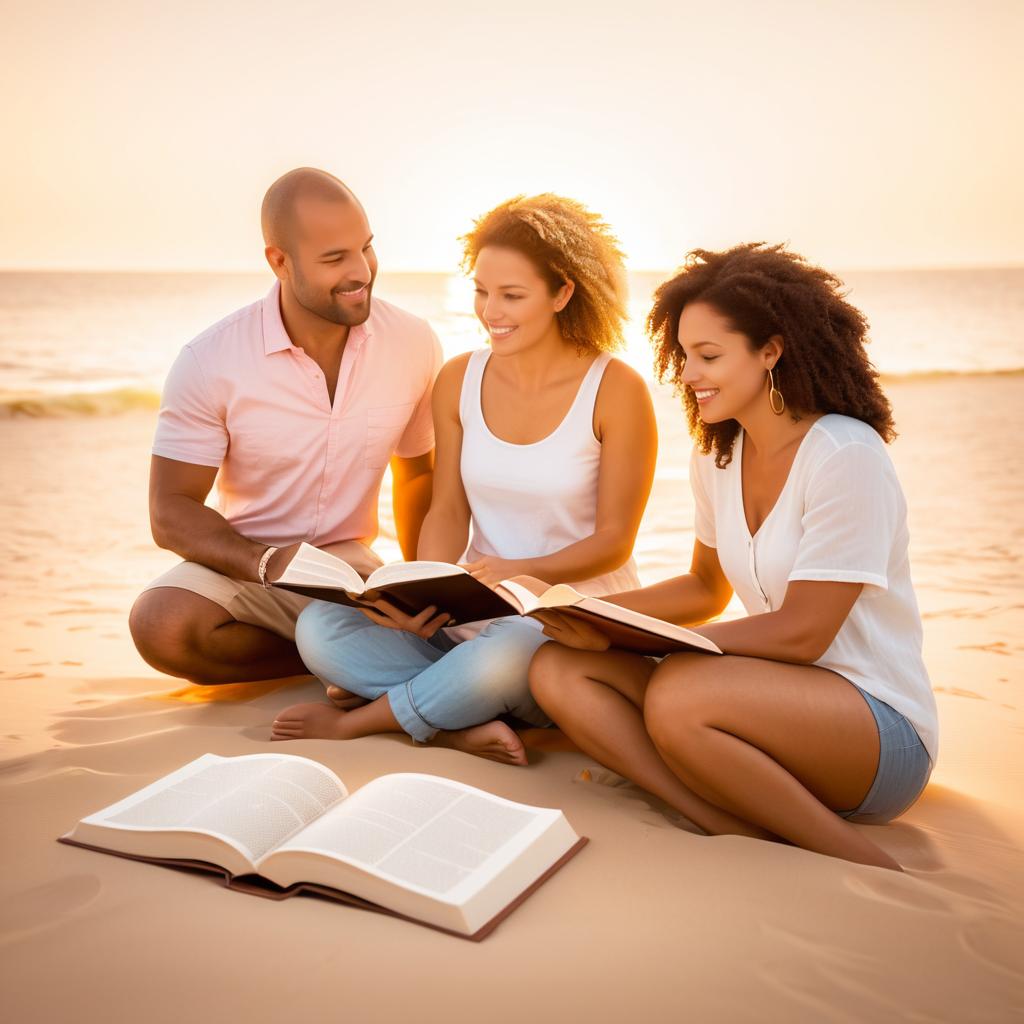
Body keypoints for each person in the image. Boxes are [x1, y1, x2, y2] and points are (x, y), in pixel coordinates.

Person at [529, 243, 937, 870]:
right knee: (559, 668)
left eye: (709, 356)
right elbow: (702, 587)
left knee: (681, 691)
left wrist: (649, 642)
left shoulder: (843, 455)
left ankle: (853, 858)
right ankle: (712, 813)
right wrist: (590, 614)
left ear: (770, 351)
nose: (687, 375)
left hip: (876, 732)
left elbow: (804, 632)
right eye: (684, 355)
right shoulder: (716, 458)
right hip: (761, 705)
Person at [271, 194, 658, 764]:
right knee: (322, 629)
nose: (490, 311)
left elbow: (613, 542)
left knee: (507, 655)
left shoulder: (617, 389)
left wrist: (521, 573)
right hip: (472, 609)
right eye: (481, 291)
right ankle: (458, 720)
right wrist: (418, 586)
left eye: (511, 295)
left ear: (562, 294)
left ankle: (369, 720)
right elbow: (447, 510)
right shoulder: (458, 379)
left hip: (561, 618)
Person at [129, 168, 442, 684]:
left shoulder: (413, 342)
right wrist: (264, 561)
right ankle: (337, 663)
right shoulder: (212, 359)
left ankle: (356, 659)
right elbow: (171, 511)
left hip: (350, 566)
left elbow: (417, 474)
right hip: (247, 563)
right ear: (279, 261)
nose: (362, 271)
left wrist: (422, 583)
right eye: (334, 258)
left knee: (443, 635)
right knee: (162, 626)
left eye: (366, 248)